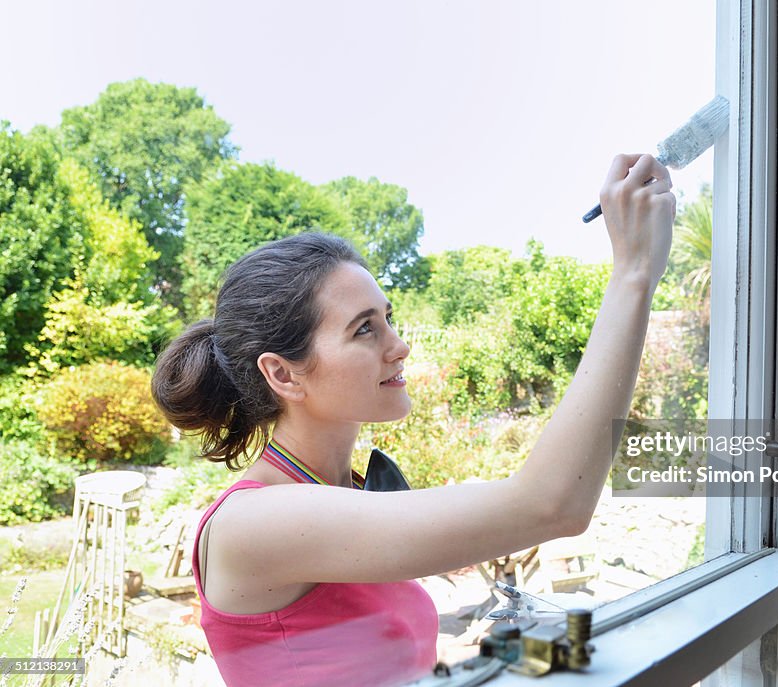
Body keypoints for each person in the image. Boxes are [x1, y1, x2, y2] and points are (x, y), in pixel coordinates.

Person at [151, 153, 675, 687]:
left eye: (388, 319)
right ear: (284, 375)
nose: (399, 346)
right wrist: (633, 274)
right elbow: (552, 505)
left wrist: (473, 650)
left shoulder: (340, 494)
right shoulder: (255, 523)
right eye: (363, 329)